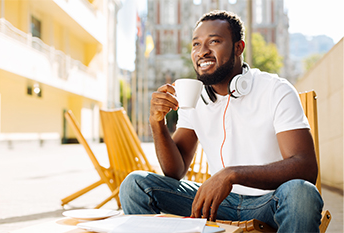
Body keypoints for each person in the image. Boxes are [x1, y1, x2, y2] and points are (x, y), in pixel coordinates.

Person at [119, 10, 323, 232]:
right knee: (135, 184)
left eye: (214, 41)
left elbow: (306, 167)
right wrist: (156, 123)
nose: (202, 52)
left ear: (239, 47)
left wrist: (231, 175)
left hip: (268, 203)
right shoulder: (195, 98)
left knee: (302, 193)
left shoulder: (276, 89)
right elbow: (174, 171)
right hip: (216, 204)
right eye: (196, 45)